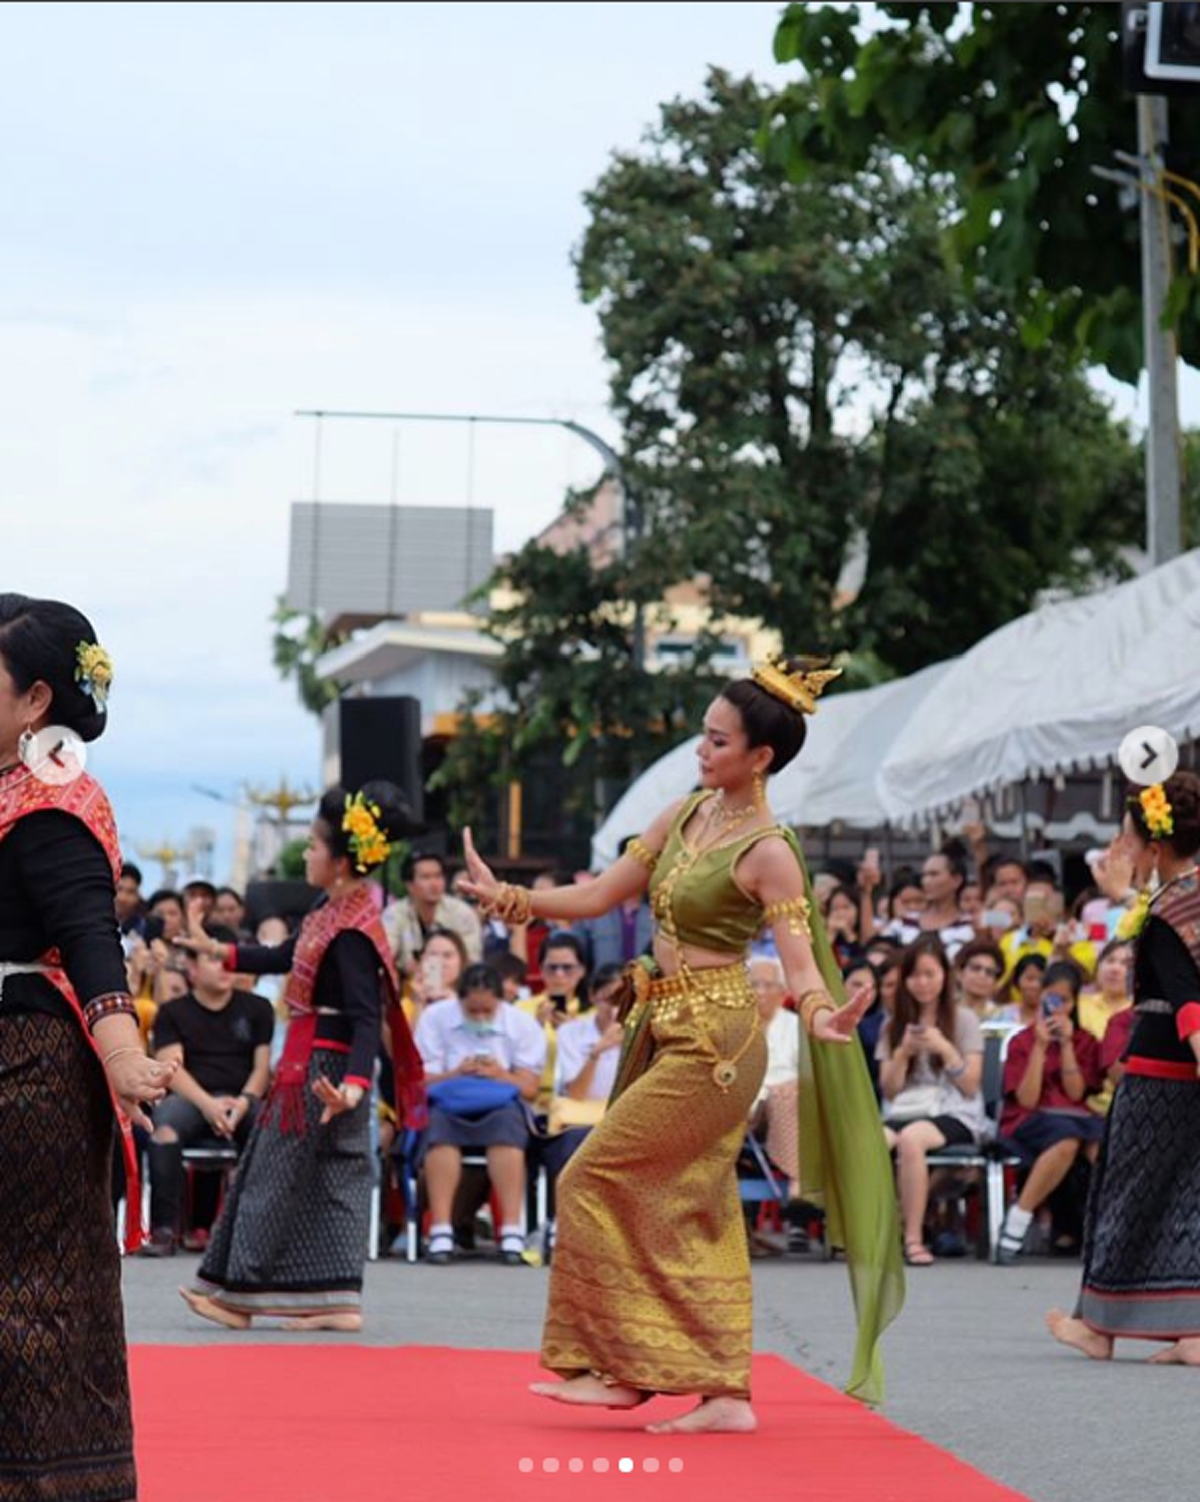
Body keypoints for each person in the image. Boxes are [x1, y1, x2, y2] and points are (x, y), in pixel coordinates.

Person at [459, 654, 902, 1431]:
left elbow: (799, 962)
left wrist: (823, 1015)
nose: (703, 750)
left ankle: (624, 1370)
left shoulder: (771, 851)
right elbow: (599, 894)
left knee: (590, 1178)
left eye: (719, 741)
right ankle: (722, 1392)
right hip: (664, 1025)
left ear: (760, 758)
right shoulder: (686, 812)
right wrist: (512, 898)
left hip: (718, 1041)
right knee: (691, 1204)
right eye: (704, 734)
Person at [0, 594, 174, 1502]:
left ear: (34, 702)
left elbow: (89, 936)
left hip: (24, 1073)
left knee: (32, 1303)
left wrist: (121, 1054)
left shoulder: (53, 802)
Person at [178, 781, 423, 1333]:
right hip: (317, 1066)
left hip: (325, 1072)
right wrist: (214, 948)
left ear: (339, 861)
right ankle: (336, 1300)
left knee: (270, 1176)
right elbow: (282, 955)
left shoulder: (354, 931)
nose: (307, 853)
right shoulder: (329, 910)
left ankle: (239, 1296)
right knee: (329, 1178)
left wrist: (355, 1085)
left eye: (314, 845)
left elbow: (367, 1017)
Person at [1048, 773, 1200, 1362]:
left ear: (1154, 848)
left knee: (1124, 1194)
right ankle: (1190, 1330)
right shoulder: (1180, 899)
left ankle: (1098, 1325)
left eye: (1126, 839)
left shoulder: (1168, 911)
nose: (1119, 849)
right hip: (1184, 1079)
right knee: (1188, 1198)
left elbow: (1188, 1001)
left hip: (1161, 1076)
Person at [140, 925, 274, 1256]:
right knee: (164, 1129)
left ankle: (253, 1232)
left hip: (242, 1098)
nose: (224, 966)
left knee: (267, 1129)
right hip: (190, 1098)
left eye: (224, 958)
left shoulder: (258, 1008)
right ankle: (164, 1229)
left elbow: (261, 1069)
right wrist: (209, 1105)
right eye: (213, 959)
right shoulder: (172, 1012)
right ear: (193, 969)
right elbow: (172, 1070)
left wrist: (242, 1103)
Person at [414, 961, 546, 1264]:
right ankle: (441, 1229)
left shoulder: (521, 1024)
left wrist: (500, 1073)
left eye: (487, 1011)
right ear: (459, 1000)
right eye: (473, 1012)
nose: (480, 1018)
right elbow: (421, 1082)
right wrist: (457, 1072)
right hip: (449, 1100)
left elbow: (529, 1089)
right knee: (440, 1131)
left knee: (507, 1130)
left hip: (501, 1102)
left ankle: (511, 1231)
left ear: (500, 1001)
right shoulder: (435, 1018)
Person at [876, 936, 987, 1266]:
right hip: (907, 1107)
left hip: (955, 1110)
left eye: (929, 974)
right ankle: (873, 1234)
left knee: (912, 1140)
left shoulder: (964, 1020)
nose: (922, 983)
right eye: (915, 976)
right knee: (874, 1140)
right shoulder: (892, 1024)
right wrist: (902, 1055)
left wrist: (944, 1048)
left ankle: (912, 1237)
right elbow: (891, 1091)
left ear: (944, 975)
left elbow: (970, 1085)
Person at [996, 960, 1103, 1265]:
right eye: (1051, 999)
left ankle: (1109, 1228)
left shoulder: (1085, 1041)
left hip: (1076, 1116)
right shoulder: (1021, 1041)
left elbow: (1076, 1093)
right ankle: (1018, 1220)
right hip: (1030, 1120)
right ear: (1040, 996)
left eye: (1064, 1001)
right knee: (1067, 1140)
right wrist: (1040, 1048)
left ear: (1074, 1002)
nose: (1057, 1008)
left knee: (1102, 1144)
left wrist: (1067, 1045)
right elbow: (1027, 1100)